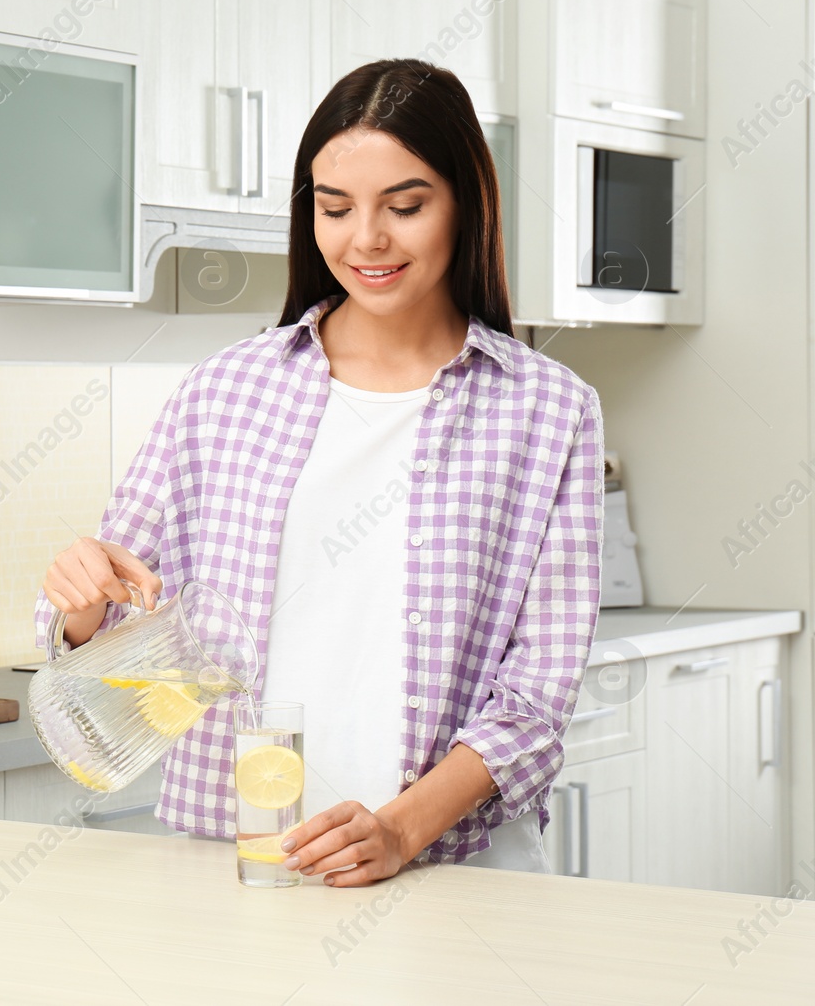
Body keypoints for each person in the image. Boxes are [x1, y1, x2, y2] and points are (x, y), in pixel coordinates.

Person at [33, 58, 604, 887]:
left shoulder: (549, 411)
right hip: (245, 856)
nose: (366, 238)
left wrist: (400, 830)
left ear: (466, 206)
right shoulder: (227, 388)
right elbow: (125, 621)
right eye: (335, 208)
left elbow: (536, 695)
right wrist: (82, 606)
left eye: (404, 206)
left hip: (454, 866)